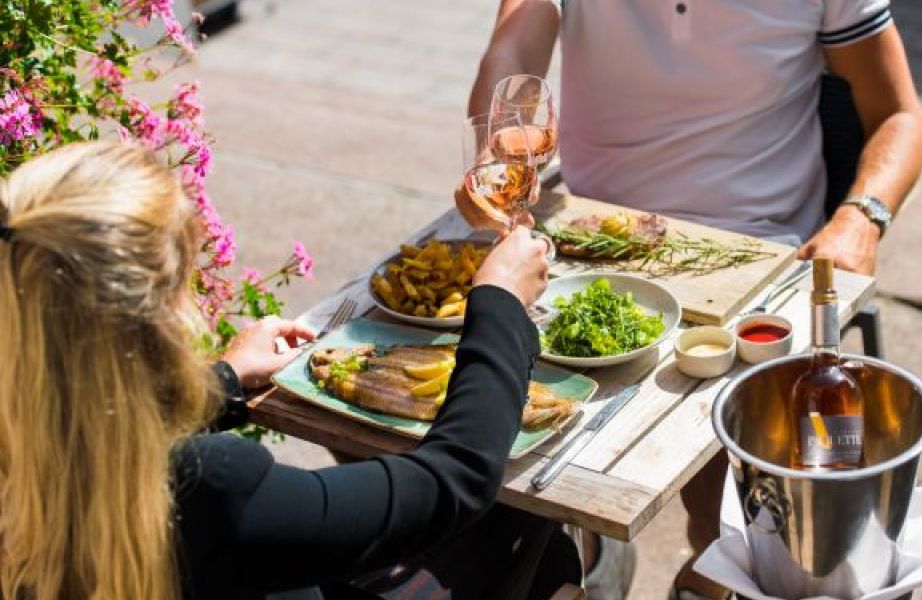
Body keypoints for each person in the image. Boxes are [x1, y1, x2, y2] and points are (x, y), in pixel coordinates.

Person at [457, 1, 922, 598]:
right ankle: (582, 555)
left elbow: (899, 115)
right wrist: (497, 147)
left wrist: (863, 215)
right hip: (589, 241)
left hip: (761, 252)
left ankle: (706, 570)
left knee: (739, 510)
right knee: (442, 407)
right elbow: (517, 45)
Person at [0, 142, 560, 599]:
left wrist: (221, 381)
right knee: (532, 540)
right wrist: (500, 304)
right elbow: (451, 481)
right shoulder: (207, 489)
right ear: (159, 314)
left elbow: (86, 419)